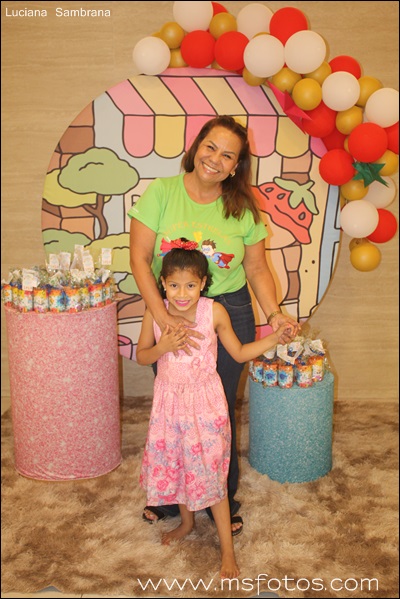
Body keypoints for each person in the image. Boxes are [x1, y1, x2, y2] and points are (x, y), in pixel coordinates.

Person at [129, 115, 300, 535]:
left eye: (228, 155)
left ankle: (221, 496)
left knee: (216, 409)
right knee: (174, 408)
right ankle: (170, 497)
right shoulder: (162, 192)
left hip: (228, 308)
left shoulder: (242, 206)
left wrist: (274, 313)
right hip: (172, 308)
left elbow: (256, 267)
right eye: (210, 147)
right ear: (196, 146)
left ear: (236, 166)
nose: (215, 159)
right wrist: (164, 317)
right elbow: (139, 260)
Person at [136, 244, 295, 579]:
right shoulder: (155, 311)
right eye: (174, 285)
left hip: (206, 407)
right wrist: (162, 347)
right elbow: (143, 355)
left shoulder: (214, 312)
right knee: (179, 464)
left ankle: (227, 551)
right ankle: (187, 523)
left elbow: (239, 352)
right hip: (169, 407)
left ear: (203, 283)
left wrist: (275, 339)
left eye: (190, 285)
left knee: (211, 474)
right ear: (162, 283)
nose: (182, 294)